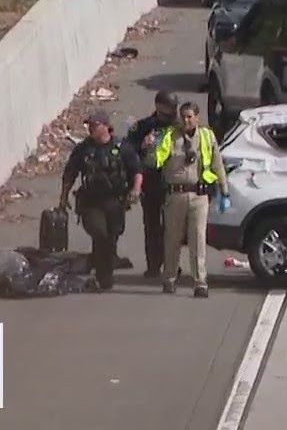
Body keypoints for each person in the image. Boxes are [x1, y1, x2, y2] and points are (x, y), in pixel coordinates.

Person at [59, 110, 143, 291]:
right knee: (100, 234)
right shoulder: (83, 149)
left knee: (112, 236)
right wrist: (63, 197)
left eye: (95, 125)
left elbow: (136, 170)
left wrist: (136, 190)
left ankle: (103, 270)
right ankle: (103, 275)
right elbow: (70, 174)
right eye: (89, 125)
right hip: (91, 201)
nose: (91, 128)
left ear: (106, 126)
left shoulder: (121, 147)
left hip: (115, 201)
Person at [153, 102, 228, 298]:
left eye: (189, 116)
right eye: (183, 116)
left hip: (199, 195)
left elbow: (217, 163)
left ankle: (200, 281)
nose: (186, 120)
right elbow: (155, 160)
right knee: (172, 239)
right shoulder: (169, 136)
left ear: (197, 117)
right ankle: (169, 278)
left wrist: (224, 191)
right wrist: (151, 148)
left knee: (198, 239)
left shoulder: (206, 136)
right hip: (175, 194)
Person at [123, 90, 179, 279]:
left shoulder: (180, 126)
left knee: (173, 228)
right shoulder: (143, 127)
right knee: (152, 226)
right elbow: (128, 152)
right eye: (167, 110)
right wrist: (142, 147)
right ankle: (153, 265)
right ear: (158, 107)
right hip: (152, 182)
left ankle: (172, 264)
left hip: (175, 182)